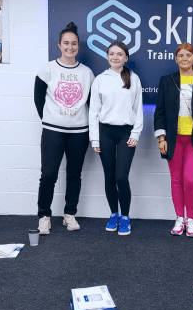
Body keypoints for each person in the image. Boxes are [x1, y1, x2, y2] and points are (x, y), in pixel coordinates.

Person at [34, 22, 94, 235]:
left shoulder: (87, 73)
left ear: (78, 46)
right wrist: (53, 119)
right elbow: (39, 100)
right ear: (59, 45)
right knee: (48, 175)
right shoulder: (47, 69)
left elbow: (91, 104)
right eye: (66, 43)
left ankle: (69, 214)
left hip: (79, 133)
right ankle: (44, 216)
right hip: (53, 131)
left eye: (74, 43)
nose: (70, 47)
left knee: (74, 175)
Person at [154, 42, 193, 238]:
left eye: (188, 55)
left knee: (190, 180)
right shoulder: (167, 81)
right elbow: (160, 112)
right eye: (180, 55)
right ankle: (179, 218)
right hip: (173, 139)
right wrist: (161, 138)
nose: (184, 59)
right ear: (176, 59)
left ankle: (191, 219)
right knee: (176, 180)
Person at [89, 41, 143, 236]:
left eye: (119, 54)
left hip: (126, 133)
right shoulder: (100, 80)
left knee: (121, 177)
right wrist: (95, 139)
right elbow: (94, 112)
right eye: (112, 53)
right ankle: (114, 214)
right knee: (110, 176)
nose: (115, 57)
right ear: (107, 56)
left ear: (126, 57)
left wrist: (135, 133)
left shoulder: (133, 78)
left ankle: (125, 217)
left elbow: (138, 109)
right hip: (105, 133)